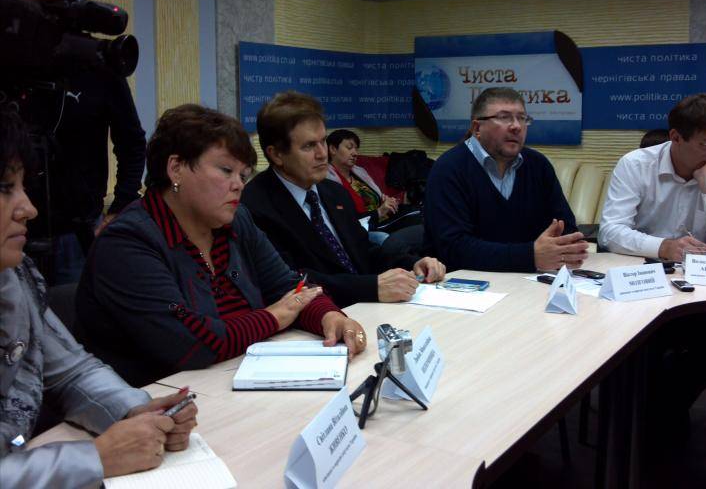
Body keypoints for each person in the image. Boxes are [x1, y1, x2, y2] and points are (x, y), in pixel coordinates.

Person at [76, 104, 366, 387]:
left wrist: (329, 316)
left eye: (243, 175)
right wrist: (274, 316)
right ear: (176, 169)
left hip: (239, 380)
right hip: (163, 399)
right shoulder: (127, 243)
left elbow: (291, 288)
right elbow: (191, 343)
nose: (238, 185)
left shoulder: (236, 221)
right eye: (226, 170)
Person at [0, 108, 198, 487]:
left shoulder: (15, 276)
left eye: (23, 186)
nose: (29, 209)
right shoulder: (131, 236)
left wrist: (135, 410)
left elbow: (72, 371)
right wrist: (94, 459)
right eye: (5, 188)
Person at [5, 0, 147, 283]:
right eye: (48, 1)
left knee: (74, 312)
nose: (60, 11)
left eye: (66, 0)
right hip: (10, 229)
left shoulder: (94, 62)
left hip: (77, 233)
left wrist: (121, 206)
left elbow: (132, 140)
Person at [241, 91, 446, 308]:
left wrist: (412, 264)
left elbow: (363, 251)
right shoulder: (255, 206)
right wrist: (371, 287)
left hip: (372, 308)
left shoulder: (333, 192)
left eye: (323, 141)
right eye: (309, 146)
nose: (322, 154)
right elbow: (291, 280)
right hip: (319, 316)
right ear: (276, 155)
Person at [424, 87, 588, 272]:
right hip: (465, 283)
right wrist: (530, 256)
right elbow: (453, 249)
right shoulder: (449, 169)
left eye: (522, 118)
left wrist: (568, 249)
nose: (516, 126)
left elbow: (567, 228)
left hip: (528, 280)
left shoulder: (538, 165)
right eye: (504, 117)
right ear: (477, 128)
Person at [599, 93, 706, 259]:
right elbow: (610, 233)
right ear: (676, 137)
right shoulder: (636, 165)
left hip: (705, 269)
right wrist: (664, 247)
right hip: (643, 266)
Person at [326, 129, 399, 221]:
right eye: (349, 148)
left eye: (356, 149)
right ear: (333, 149)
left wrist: (387, 202)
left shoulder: (359, 172)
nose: (355, 153)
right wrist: (379, 212)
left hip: (384, 220)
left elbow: (379, 197)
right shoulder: (326, 180)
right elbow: (345, 219)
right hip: (366, 226)